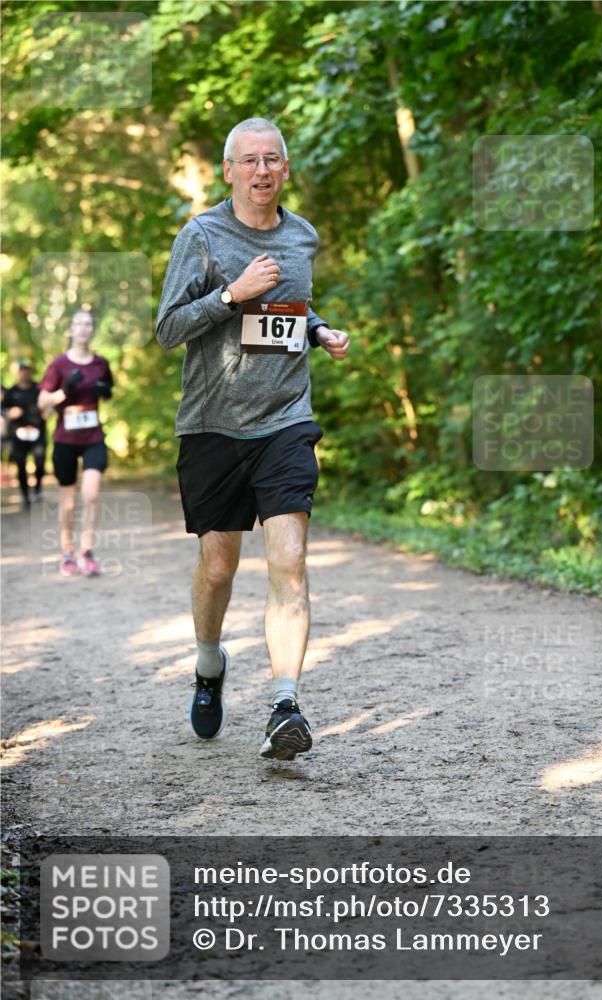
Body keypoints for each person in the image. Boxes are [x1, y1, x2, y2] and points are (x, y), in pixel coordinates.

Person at [156, 116, 350, 761]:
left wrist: (319, 331)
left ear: (286, 169)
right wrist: (231, 295)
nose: (262, 170)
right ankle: (209, 663)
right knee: (219, 567)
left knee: (289, 561)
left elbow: (291, 307)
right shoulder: (202, 236)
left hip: (286, 419)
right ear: (230, 171)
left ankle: (285, 705)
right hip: (213, 425)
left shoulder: (302, 236)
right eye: (250, 160)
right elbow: (168, 329)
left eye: (272, 160)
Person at [37, 309, 113, 577]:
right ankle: (67, 552)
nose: (83, 328)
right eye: (78, 324)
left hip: (93, 438)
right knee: (68, 500)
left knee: (91, 494)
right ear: (70, 329)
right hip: (65, 440)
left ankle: (86, 552)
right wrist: (64, 391)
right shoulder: (59, 364)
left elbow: (108, 391)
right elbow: (42, 402)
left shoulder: (100, 363)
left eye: (88, 324)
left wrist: (106, 392)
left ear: (92, 329)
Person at [2, 361, 47, 509]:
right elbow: (3, 409)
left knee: (40, 461)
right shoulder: (11, 392)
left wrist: (48, 412)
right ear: (18, 373)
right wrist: (9, 413)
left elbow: (49, 405)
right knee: (20, 464)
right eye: (22, 370)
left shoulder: (38, 389)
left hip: (37, 432)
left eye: (27, 370)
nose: (25, 373)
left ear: (30, 372)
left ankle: (38, 489)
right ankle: (25, 497)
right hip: (18, 434)